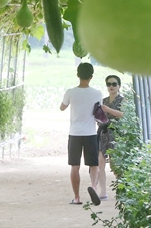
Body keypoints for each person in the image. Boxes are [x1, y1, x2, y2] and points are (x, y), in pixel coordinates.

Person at [60, 62, 103, 206]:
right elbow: (99, 109)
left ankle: (77, 197)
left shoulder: (70, 92)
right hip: (90, 133)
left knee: (74, 166)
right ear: (91, 76)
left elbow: (62, 108)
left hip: (75, 134)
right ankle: (94, 188)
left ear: (78, 75)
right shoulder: (97, 93)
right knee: (94, 165)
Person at [97, 75, 124, 200]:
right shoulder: (103, 101)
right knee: (100, 163)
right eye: (109, 84)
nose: (111, 87)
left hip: (116, 134)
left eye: (114, 84)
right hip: (103, 133)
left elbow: (123, 114)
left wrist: (108, 110)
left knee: (115, 164)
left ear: (119, 86)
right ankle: (103, 192)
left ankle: (121, 190)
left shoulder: (123, 100)